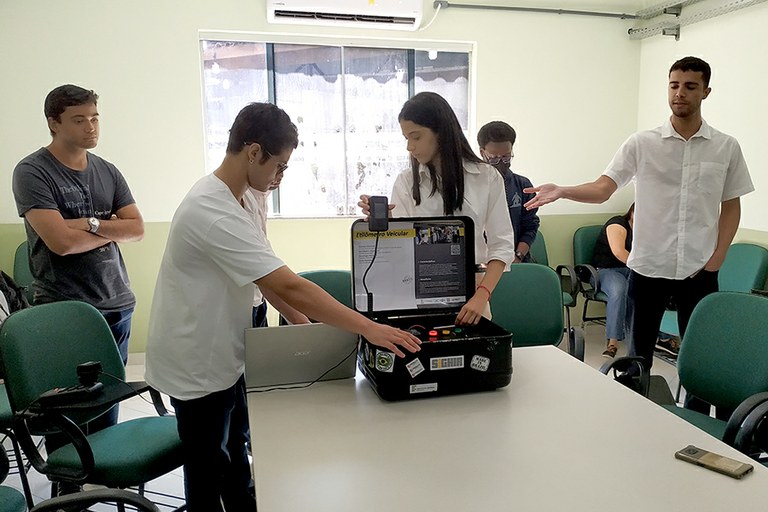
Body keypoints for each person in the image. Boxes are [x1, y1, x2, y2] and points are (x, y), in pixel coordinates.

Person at [145, 102, 420, 512]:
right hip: (197, 359)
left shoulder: (248, 195)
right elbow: (288, 283)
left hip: (229, 346)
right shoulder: (212, 209)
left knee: (237, 448)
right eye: (280, 166)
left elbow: (264, 270)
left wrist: (303, 328)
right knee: (207, 466)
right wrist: (367, 327)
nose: (280, 177)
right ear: (253, 152)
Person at [524, 57, 754, 412]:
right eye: (674, 85)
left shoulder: (725, 147)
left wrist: (719, 255)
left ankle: (696, 419)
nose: (680, 93)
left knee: (698, 353)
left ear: (706, 91)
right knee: (640, 353)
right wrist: (564, 190)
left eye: (690, 86)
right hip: (649, 267)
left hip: (700, 268)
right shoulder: (642, 143)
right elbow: (603, 188)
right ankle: (638, 415)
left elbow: (731, 205)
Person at [12, 84, 144, 365]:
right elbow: (62, 243)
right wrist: (111, 229)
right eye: (79, 119)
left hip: (118, 304)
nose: (91, 127)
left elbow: (136, 229)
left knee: (110, 399)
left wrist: (88, 224)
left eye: (95, 118)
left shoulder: (108, 170)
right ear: (53, 123)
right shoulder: (32, 172)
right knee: (71, 402)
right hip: (66, 308)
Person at [359, 92, 516, 325]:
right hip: (416, 298)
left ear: (441, 132)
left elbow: (502, 245)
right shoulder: (406, 182)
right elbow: (400, 252)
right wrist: (385, 224)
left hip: (472, 300)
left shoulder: (486, 177)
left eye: (416, 137)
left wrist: (482, 295)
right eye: (406, 138)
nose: (409, 147)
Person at [244, 170, 310, 327]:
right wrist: (302, 323)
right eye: (278, 166)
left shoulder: (260, 195)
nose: (281, 175)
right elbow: (266, 274)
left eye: (285, 167)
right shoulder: (242, 202)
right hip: (243, 306)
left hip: (257, 300)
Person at [477, 121, 540, 263]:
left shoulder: (523, 186)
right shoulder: (472, 186)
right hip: (481, 263)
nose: (501, 163)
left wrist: (518, 256)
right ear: (482, 152)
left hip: (517, 262)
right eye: (494, 158)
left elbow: (530, 227)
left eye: (506, 157)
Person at [591, 203, 634, 358]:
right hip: (604, 270)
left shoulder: (651, 230)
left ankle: (662, 337)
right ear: (632, 213)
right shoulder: (617, 223)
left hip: (630, 270)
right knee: (619, 289)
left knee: (651, 286)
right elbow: (619, 252)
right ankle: (612, 343)